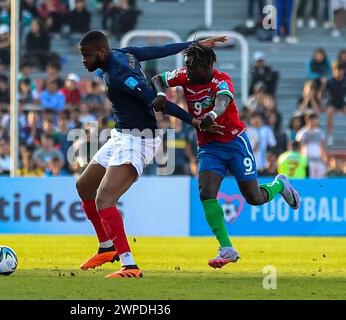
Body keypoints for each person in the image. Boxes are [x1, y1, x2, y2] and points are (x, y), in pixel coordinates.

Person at [76, 30, 226, 278]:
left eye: (86, 55)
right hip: (121, 135)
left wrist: (194, 121)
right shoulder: (122, 54)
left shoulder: (119, 75)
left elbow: (158, 103)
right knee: (84, 186)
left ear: (101, 53)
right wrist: (193, 43)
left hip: (139, 140)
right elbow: (156, 51)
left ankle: (129, 265)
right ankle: (106, 246)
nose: (84, 61)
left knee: (104, 198)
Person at [151, 42, 301, 269]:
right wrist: (161, 93)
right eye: (187, 66)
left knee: (254, 198)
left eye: (192, 67)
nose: (188, 71)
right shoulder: (185, 75)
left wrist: (211, 115)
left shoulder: (221, 80)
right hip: (209, 147)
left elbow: (224, 100)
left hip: (234, 143)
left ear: (207, 65)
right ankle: (227, 248)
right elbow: (158, 79)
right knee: (205, 192)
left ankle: (279, 185)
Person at [296, 113, 327, 178]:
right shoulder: (302, 133)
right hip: (308, 161)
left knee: (321, 181)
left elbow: (322, 147)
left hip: (319, 160)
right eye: (315, 120)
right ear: (309, 120)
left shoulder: (320, 133)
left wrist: (324, 160)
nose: (317, 122)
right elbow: (300, 148)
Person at [325, 64, 346, 145]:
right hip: (332, 103)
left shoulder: (345, 81)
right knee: (329, 112)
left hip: (342, 102)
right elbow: (323, 94)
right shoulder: (329, 81)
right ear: (333, 71)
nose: (339, 72)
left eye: (341, 70)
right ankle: (330, 135)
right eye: (337, 70)